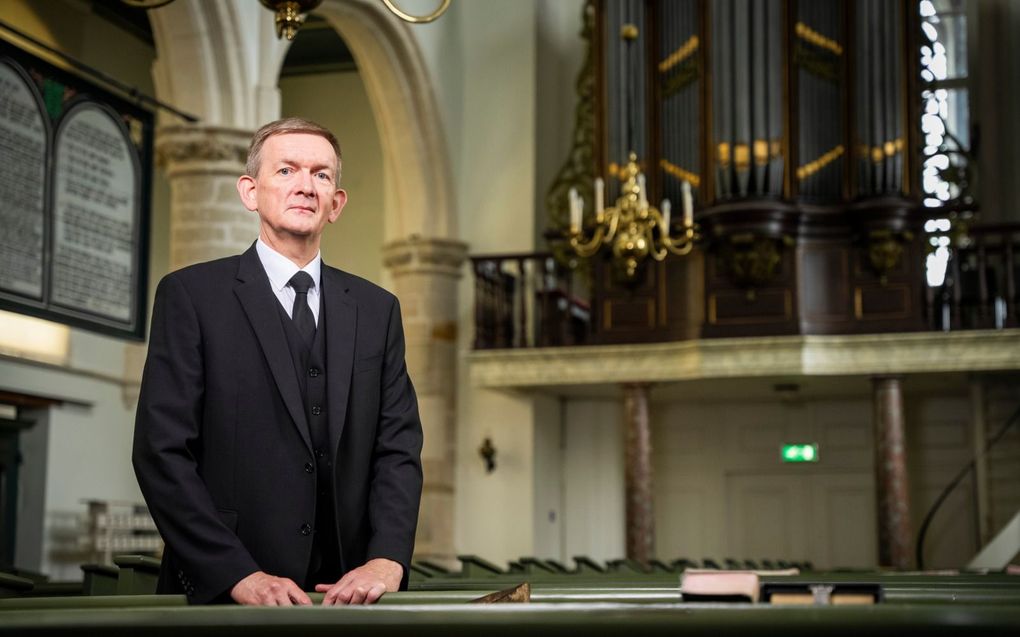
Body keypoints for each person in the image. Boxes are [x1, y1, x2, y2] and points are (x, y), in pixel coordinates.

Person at [132, 117, 423, 606]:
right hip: (224, 596)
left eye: (322, 175)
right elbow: (161, 452)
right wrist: (236, 574)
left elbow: (397, 449)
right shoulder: (191, 296)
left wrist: (386, 559)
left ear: (337, 203)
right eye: (287, 170)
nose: (306, 186)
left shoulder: (377, 310)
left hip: (346, 598)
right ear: (250, 191)